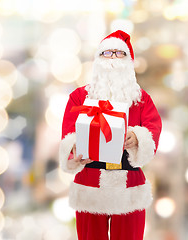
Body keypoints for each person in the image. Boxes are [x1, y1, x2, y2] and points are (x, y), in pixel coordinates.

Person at [59, 30, 162, 240]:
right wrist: (75, 151)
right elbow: (68, 134)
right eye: (107, 53)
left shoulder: (141, 100)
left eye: (119, 53)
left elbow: (153, 130)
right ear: (98, 59)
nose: (113, 58)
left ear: (129, 60)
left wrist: (138, 137)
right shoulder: (79, 97)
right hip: (89, 181)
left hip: (128, 182)